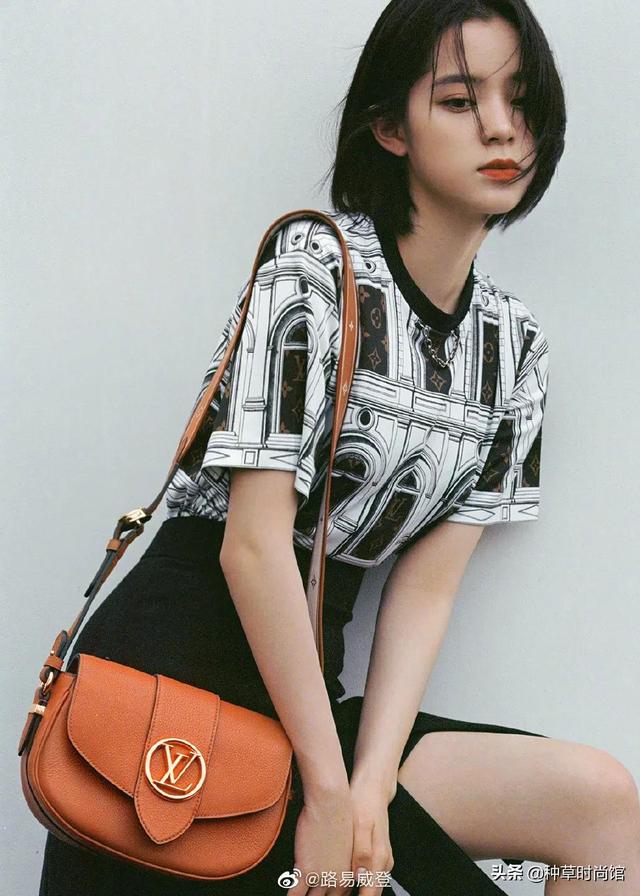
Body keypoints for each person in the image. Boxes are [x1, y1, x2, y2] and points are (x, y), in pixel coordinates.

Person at [37, 1, 640, 895]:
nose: (502, 127)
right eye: (460, 100)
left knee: (599, 809)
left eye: (520, 98)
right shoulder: (312, 269)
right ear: (391, 130)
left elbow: (425, 590)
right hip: (176, 685)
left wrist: (369, 787)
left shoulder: (514, 349)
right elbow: (251, 547)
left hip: (312, 705)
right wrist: (326, 789)